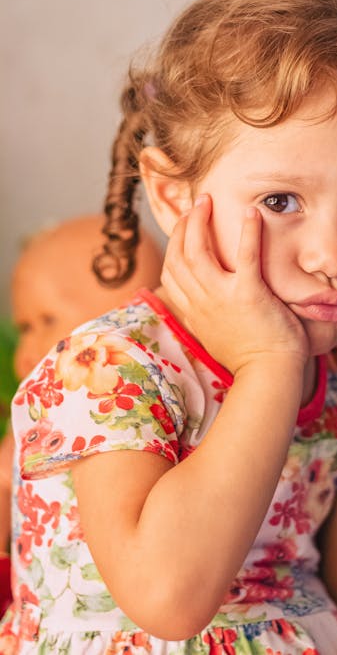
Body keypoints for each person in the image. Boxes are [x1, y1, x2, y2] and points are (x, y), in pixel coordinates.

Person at [1, 0, 337, 653]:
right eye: (281, 202)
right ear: (173, 196)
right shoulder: (112, 368)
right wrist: (268, 367)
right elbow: (167, 598)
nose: (331, 255)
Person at [0, 215, 162, 617]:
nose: (24, 351)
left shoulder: (162, 399)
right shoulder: (39, 416)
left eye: (44, 321)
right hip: (55, 618)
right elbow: (5, 484)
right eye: (24, 327)